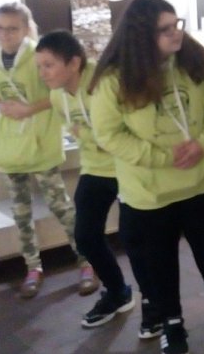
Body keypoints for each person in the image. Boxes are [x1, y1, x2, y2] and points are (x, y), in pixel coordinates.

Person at [89, 0, 204, 354]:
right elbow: (109, 134)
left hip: (199, 181)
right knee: (160, 259)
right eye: (165, 29)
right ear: (142, 36)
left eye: (177, 24)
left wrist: (203, 143)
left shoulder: (195, 61)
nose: (176, 34)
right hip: (150, 191)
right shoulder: (115, 80)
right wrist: (161, 157)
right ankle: (172, 322)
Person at [35, 30, 161, 336]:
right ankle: (118, 292)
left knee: (135, 239)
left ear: (74, 63)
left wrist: (91, 136)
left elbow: (120, 131)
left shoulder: (105, 83)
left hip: (126, 168)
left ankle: (154, 305)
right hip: (94, 169)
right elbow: (86, 135)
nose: (43, 73)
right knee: (85, 236)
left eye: (49, 65)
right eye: (39, 66)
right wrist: (94, 138)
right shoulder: (56, 96)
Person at [0, 2, 95, 299]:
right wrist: (4, 106)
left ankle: (86, 261)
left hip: (40, 140)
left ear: (26, 29)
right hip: (10, 144)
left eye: (12, 28)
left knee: (61, 206)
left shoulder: (39, 57)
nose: (5, 34)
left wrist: (28, 109)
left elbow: (57, 92)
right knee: (20, 211)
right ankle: (33, 267)